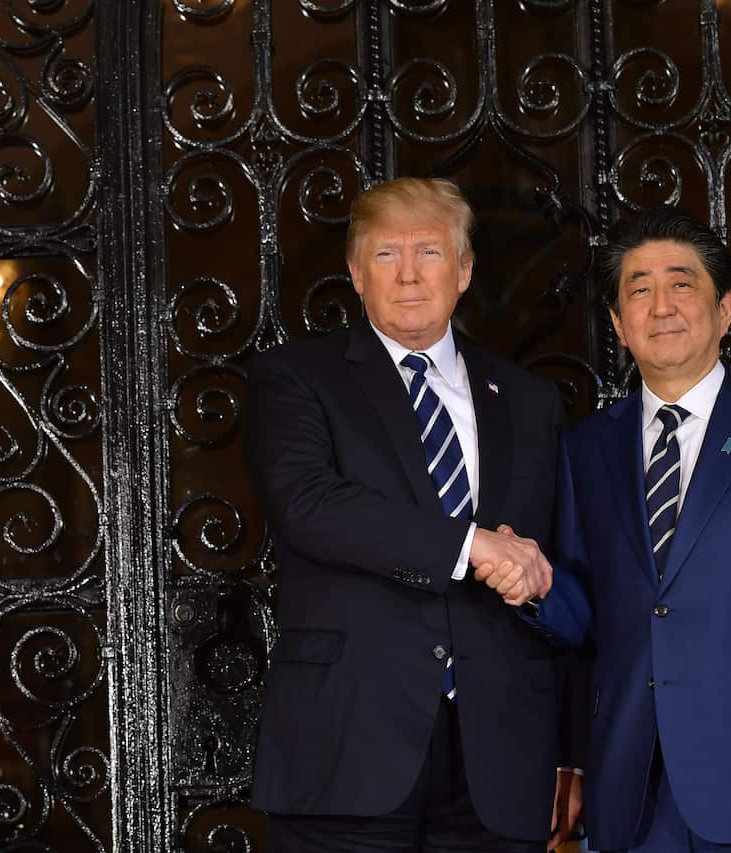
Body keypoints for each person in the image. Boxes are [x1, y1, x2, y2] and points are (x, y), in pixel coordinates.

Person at [481, 206, 731, 851]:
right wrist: (531, 584)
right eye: (638, 289)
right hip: (632, 784)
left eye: (681, 283)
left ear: (725, 310)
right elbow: (589, 616)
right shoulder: (587, 449)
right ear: (617, 322)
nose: (660, 305)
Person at [244, 177, 580, 852]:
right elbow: (310, 506)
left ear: (463, 271)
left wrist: (570, 750)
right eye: (385, 254)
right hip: (347, 752)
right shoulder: (294, 377)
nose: (407, 275)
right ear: (355, 272)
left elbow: (559, 569)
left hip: (499, 765)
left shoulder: (528, 400)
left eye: (428, 252)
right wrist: (472, 545)